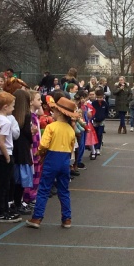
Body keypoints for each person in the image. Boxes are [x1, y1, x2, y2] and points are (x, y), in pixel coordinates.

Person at [26, 97, 78, 229]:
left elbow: (44, 145)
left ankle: (37, 217)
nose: (52, 112)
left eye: (54, 110)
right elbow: (71, 147)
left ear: (59, 112)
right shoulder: (70, 130)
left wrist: (39, 153)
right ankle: (67, 218)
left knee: (44, 188)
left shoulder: (51, 127)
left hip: (52, 159)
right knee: (64, 190)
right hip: (65, 160)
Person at [0, 91, 22, 222]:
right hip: (5, 154)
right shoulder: (5, 121)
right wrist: (7, 157)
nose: (13, 108)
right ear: (5, 107)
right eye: (12, 106)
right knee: (4, 185)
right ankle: (2, 212)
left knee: (4, 184)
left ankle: (4, 210)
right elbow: (1, 142)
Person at [91, 88, 108, 158]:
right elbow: (92, 111)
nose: (99, 99)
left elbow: (106, 112)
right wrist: (93, 117)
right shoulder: (94, 103)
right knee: (95, 134)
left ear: (103, 97)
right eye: (98, 97)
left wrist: (104, 117)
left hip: (102, 121)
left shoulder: (105, 104)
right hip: (95, 121)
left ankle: (98, 148)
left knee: (100, 134)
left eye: (100, 97)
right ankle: (94, 147)